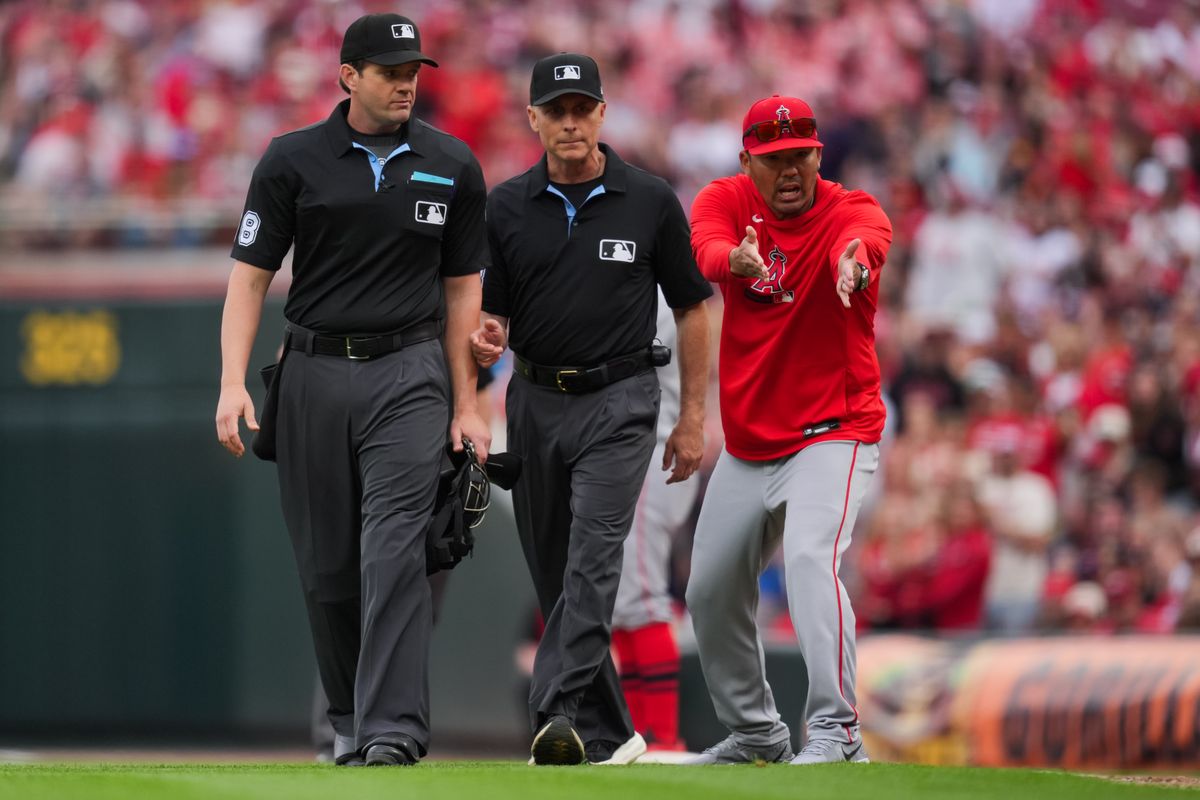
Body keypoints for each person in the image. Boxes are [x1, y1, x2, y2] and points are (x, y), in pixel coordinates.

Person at [214, 13, 490, 768]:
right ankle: (347, 714)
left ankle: (393, 727)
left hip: (409, 369)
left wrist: (467, 402)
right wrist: (233, 381)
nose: (406, 83)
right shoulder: (290, 160)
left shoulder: (453, 163)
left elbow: (463, 291)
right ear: (348, 76)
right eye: (390, 70)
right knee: (327, 567)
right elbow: (249, 278)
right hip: (310, 371)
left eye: (413, 71)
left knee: (395, 549)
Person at [470, 52, 712, 766]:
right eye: (558, 110)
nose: (571, 122)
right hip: (537, 398)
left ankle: (557, 712)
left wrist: (693, 416)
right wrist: (483, 367)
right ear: (535, 119)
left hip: (623, 397)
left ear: (603, 114)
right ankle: (611, 732)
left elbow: (696, 308)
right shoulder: (507, 205)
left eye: (583, 109)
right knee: (553, 570)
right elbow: (490, 318)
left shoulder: (649, 199)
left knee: (595, 556)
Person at [684, 95, 892, 765]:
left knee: (808, 558)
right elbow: (706, 246)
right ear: (749, 161)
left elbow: (868, 240)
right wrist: (732, 263)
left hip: (834, 431)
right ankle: (756, 732)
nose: (790, 170)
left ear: (818, 154)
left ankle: (838, 731)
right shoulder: (725, 199)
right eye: (774, 160)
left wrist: (852, 265)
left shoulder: (848, 209)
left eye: (800, 155)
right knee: (709, 589)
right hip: (749, 445)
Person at [610, 291, 700, 755]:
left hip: (653, 447)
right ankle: (637, 736)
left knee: (642, 599)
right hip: (639, 447)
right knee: (624, 605)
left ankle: (663, 737)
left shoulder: (662, 295)